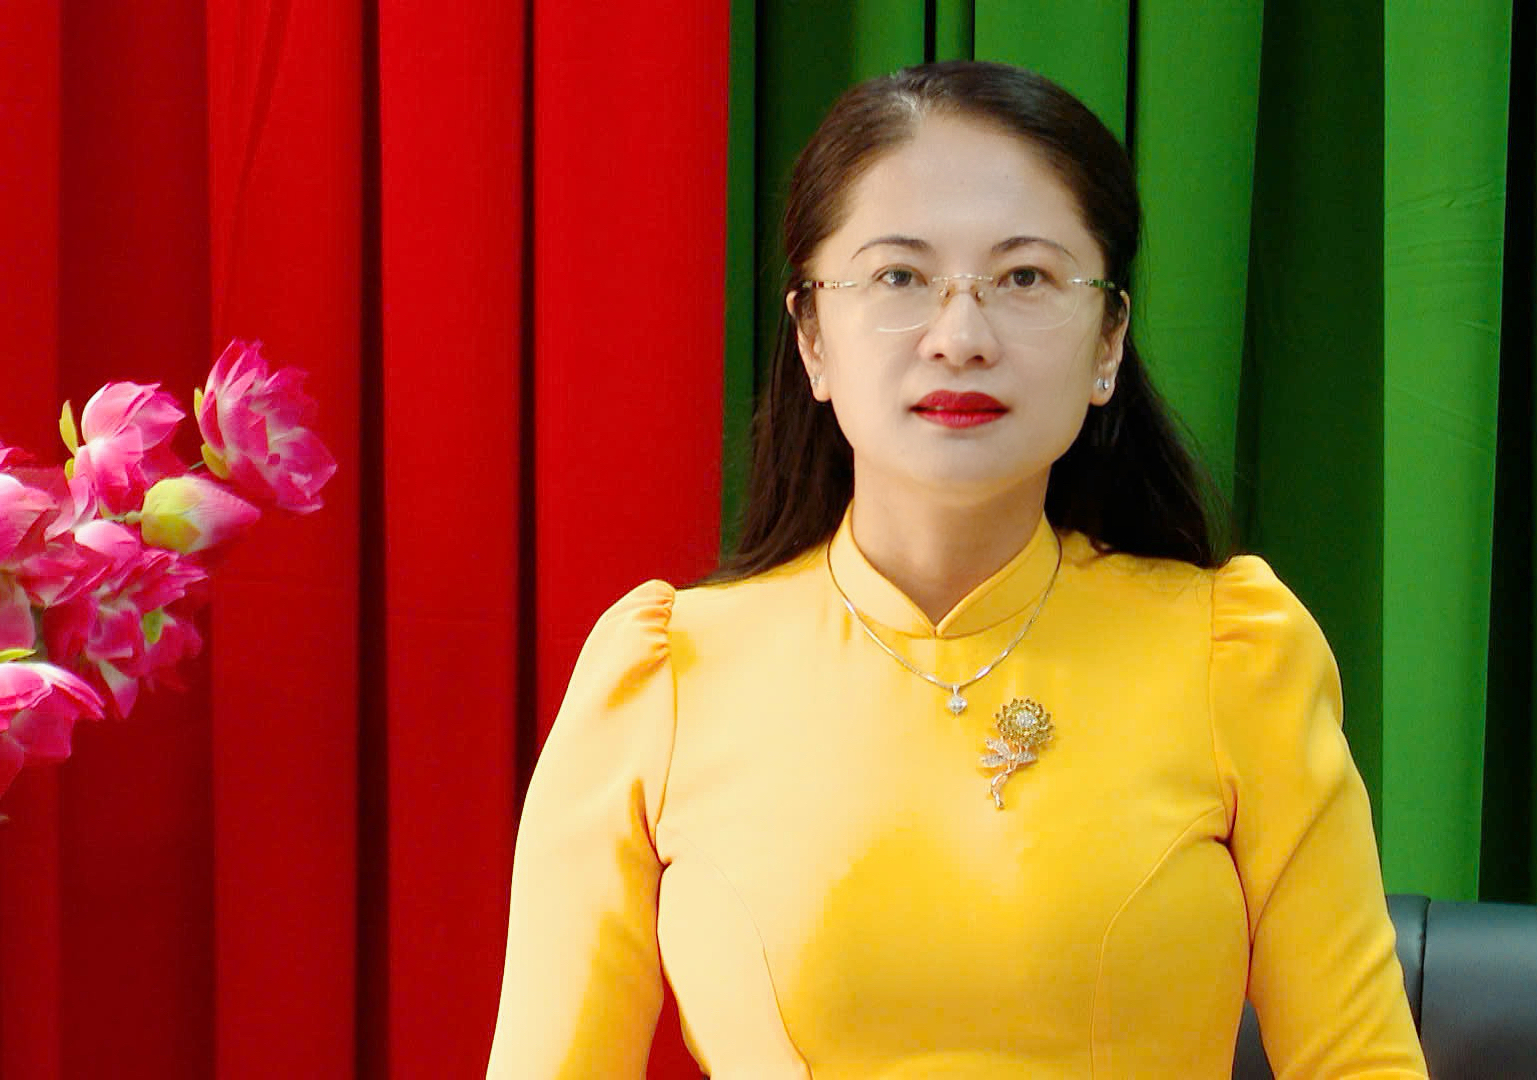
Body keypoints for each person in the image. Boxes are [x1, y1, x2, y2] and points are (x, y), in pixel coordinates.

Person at [487, 60, 1427, 1078]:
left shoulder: (1234, 655)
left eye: (1025, 278)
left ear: (1109, 341)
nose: (960, 337)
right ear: (812, 337)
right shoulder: (664, 680)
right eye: (899, 277)